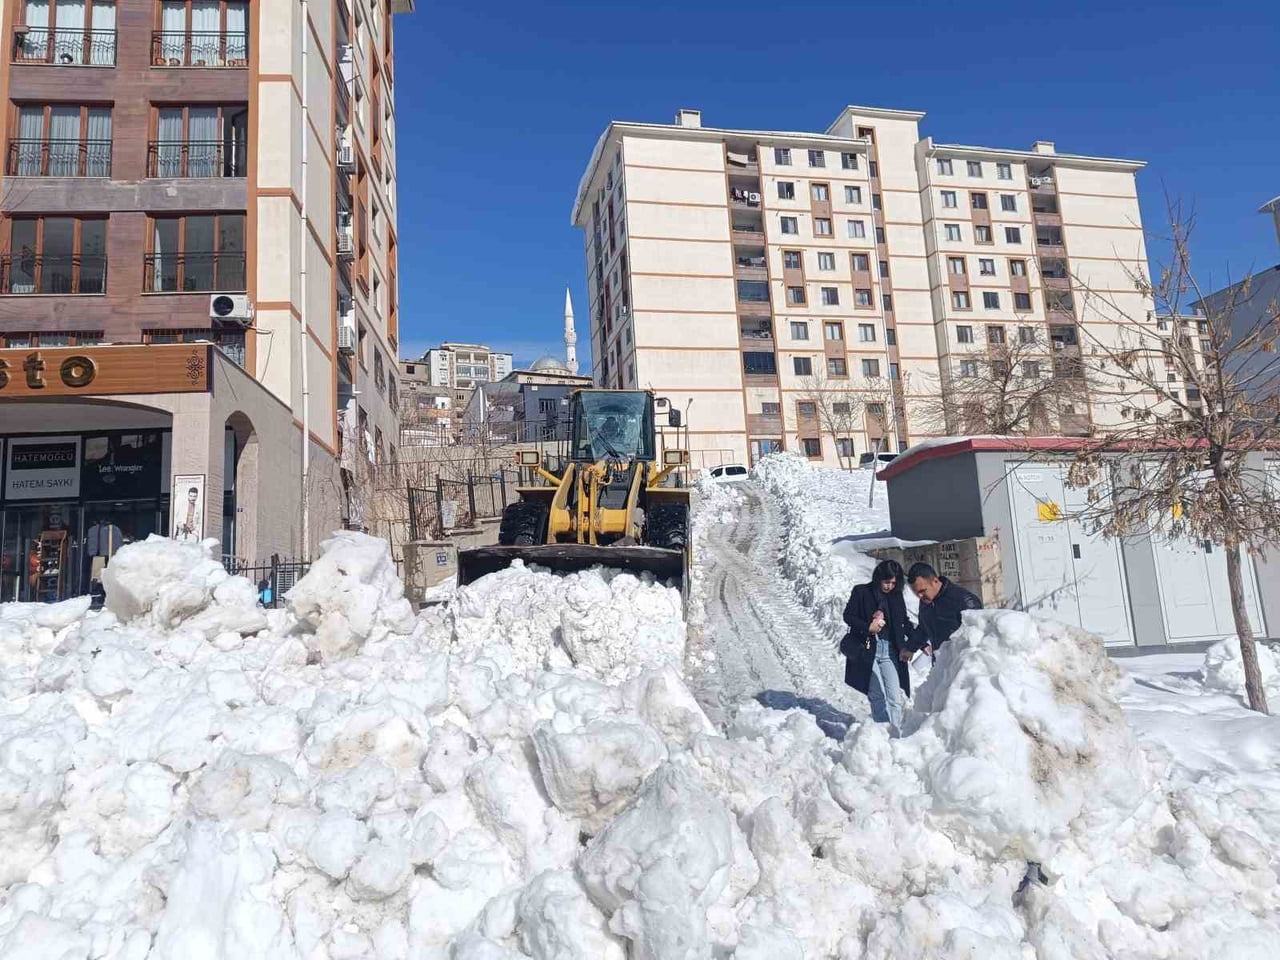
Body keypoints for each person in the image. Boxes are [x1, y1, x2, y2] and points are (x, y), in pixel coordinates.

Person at [840, 559, 919, 732]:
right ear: (878, 578)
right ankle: (883, 731)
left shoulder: (896, 596)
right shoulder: (862, 592)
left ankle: (895, 732)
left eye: (893, 582)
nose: (889, 586)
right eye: (886, 581)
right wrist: (868, 626)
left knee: (895, 697)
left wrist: (917, 642)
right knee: (877, 694)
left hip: (889, 650)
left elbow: (903, 621)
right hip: (868, 646)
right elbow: (848, 616)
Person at [906, 562, 983, 655]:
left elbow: (977, 636)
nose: (920, 596)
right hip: (940, 663)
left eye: (922, 591)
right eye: (916, 593)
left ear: (935, 581)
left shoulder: (964, 601)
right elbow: (924, 628)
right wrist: (910, 648)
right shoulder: (926, 601)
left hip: (962, 663)